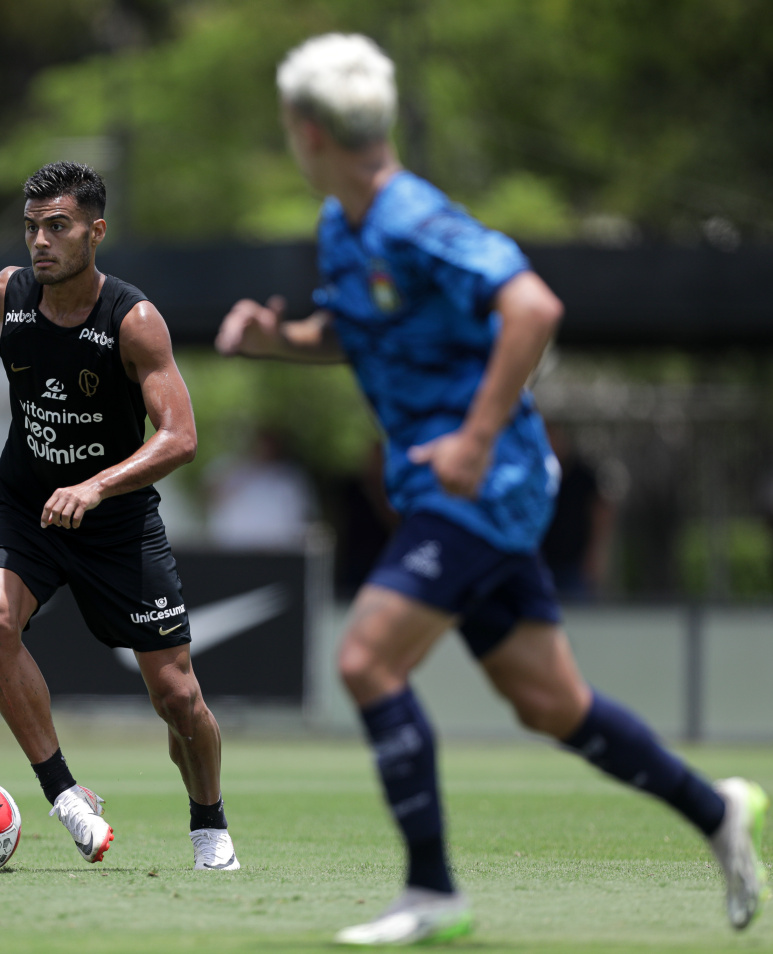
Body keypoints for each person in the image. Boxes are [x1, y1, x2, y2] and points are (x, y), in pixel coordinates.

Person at [216, 33, 766, 945]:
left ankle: (431, 893)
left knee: (364, 661)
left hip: (481, 485)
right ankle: (713, 809)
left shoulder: (412, 217)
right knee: (551, 704)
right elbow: (362, 334)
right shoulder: (341, 226)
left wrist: (473, 440)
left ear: (305, 131)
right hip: (453, 488)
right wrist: (279, 340)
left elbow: (533, 307)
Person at [0, 161, 239, 872]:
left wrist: (96, 488)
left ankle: (208, 825)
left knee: (178, 697)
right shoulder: (10, 291)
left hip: (115, 525)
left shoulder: (134, 322)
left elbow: (180, 437)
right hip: (26, 508)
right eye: (32, 226)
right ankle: (63, 794)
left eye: (58, 227)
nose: (41, 240)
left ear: (95, 232)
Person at [540, 422, 615, 600]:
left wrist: (595, 553)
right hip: (541, 561)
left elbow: (601, 511)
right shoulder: (536, 476)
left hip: (574, 563)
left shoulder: (582, 475)